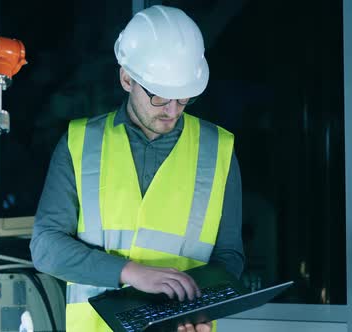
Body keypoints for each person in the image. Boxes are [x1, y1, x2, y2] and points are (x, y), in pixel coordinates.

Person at [30, 5, 244, 332]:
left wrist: (199, 309)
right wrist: (130, 272)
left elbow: (229, 257)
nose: (172, 110)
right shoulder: (79, 143)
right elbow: (46, 248)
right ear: (127, 78)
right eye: (160, 96)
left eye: (183, 97)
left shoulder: (219, 150)